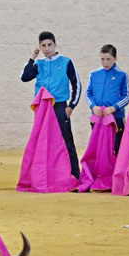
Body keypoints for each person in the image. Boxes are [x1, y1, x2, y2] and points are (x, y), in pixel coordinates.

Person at [21, 31, 81, 178]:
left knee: (66, 140)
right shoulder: (39, 64)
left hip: (60, 105)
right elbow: (25, 77)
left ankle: (74, 175)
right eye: (43, 46)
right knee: (42, 141)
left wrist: (71, 106)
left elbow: (77, 85)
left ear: (55, 45)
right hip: (42, 107)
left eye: (49, 45)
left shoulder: (66, 61)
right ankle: (45, 174)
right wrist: (32, 58)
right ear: (40, 47)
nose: (47, 48)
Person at [86, 44, 129, 155]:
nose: (105, 62)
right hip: (98, 117)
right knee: (99, 149)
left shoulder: (122, 74)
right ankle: (102, 172)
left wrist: (113, 108)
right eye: (102, 59)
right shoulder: (94, 74)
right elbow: (88, 94)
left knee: (118, 148)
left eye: (108, 59)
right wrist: (93, 106)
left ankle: (118, 172)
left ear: (115, 58)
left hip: (116, 118)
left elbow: (127, 95)